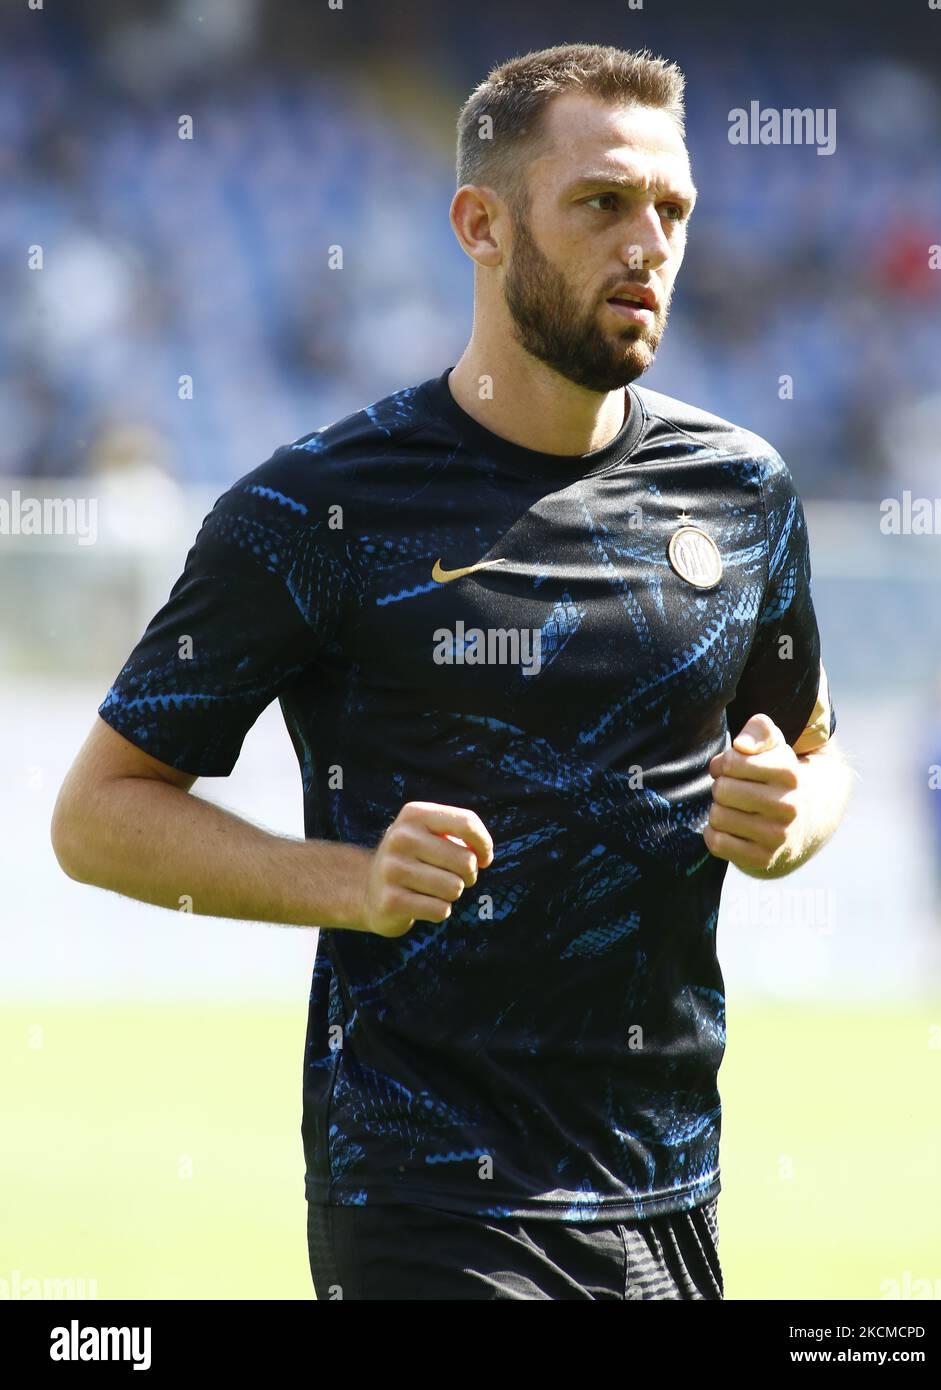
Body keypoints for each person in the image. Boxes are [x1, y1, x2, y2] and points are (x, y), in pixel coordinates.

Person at [51, 41, 854, 1300]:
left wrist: (792, 814)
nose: (648, 244)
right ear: (481, 223)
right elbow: (98, 814)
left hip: (668, 1195)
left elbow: (811, 752)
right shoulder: (317, 505)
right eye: (602, 204)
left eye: (673, 210)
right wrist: (354, 881)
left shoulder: (741, 490)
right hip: (422, 1195)